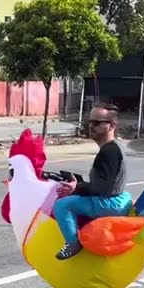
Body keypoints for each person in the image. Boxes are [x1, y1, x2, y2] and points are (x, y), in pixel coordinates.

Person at [53, 103, 132, 260]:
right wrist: (80, 185)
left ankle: (73, 243)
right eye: (89, 122)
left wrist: (77, 187)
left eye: (97, 123)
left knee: (62, 205)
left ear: (112, 125)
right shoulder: (113, 147)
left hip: (109, 203)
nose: (91, 126)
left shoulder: (109, 151)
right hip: (116, 199)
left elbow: (102, 188)